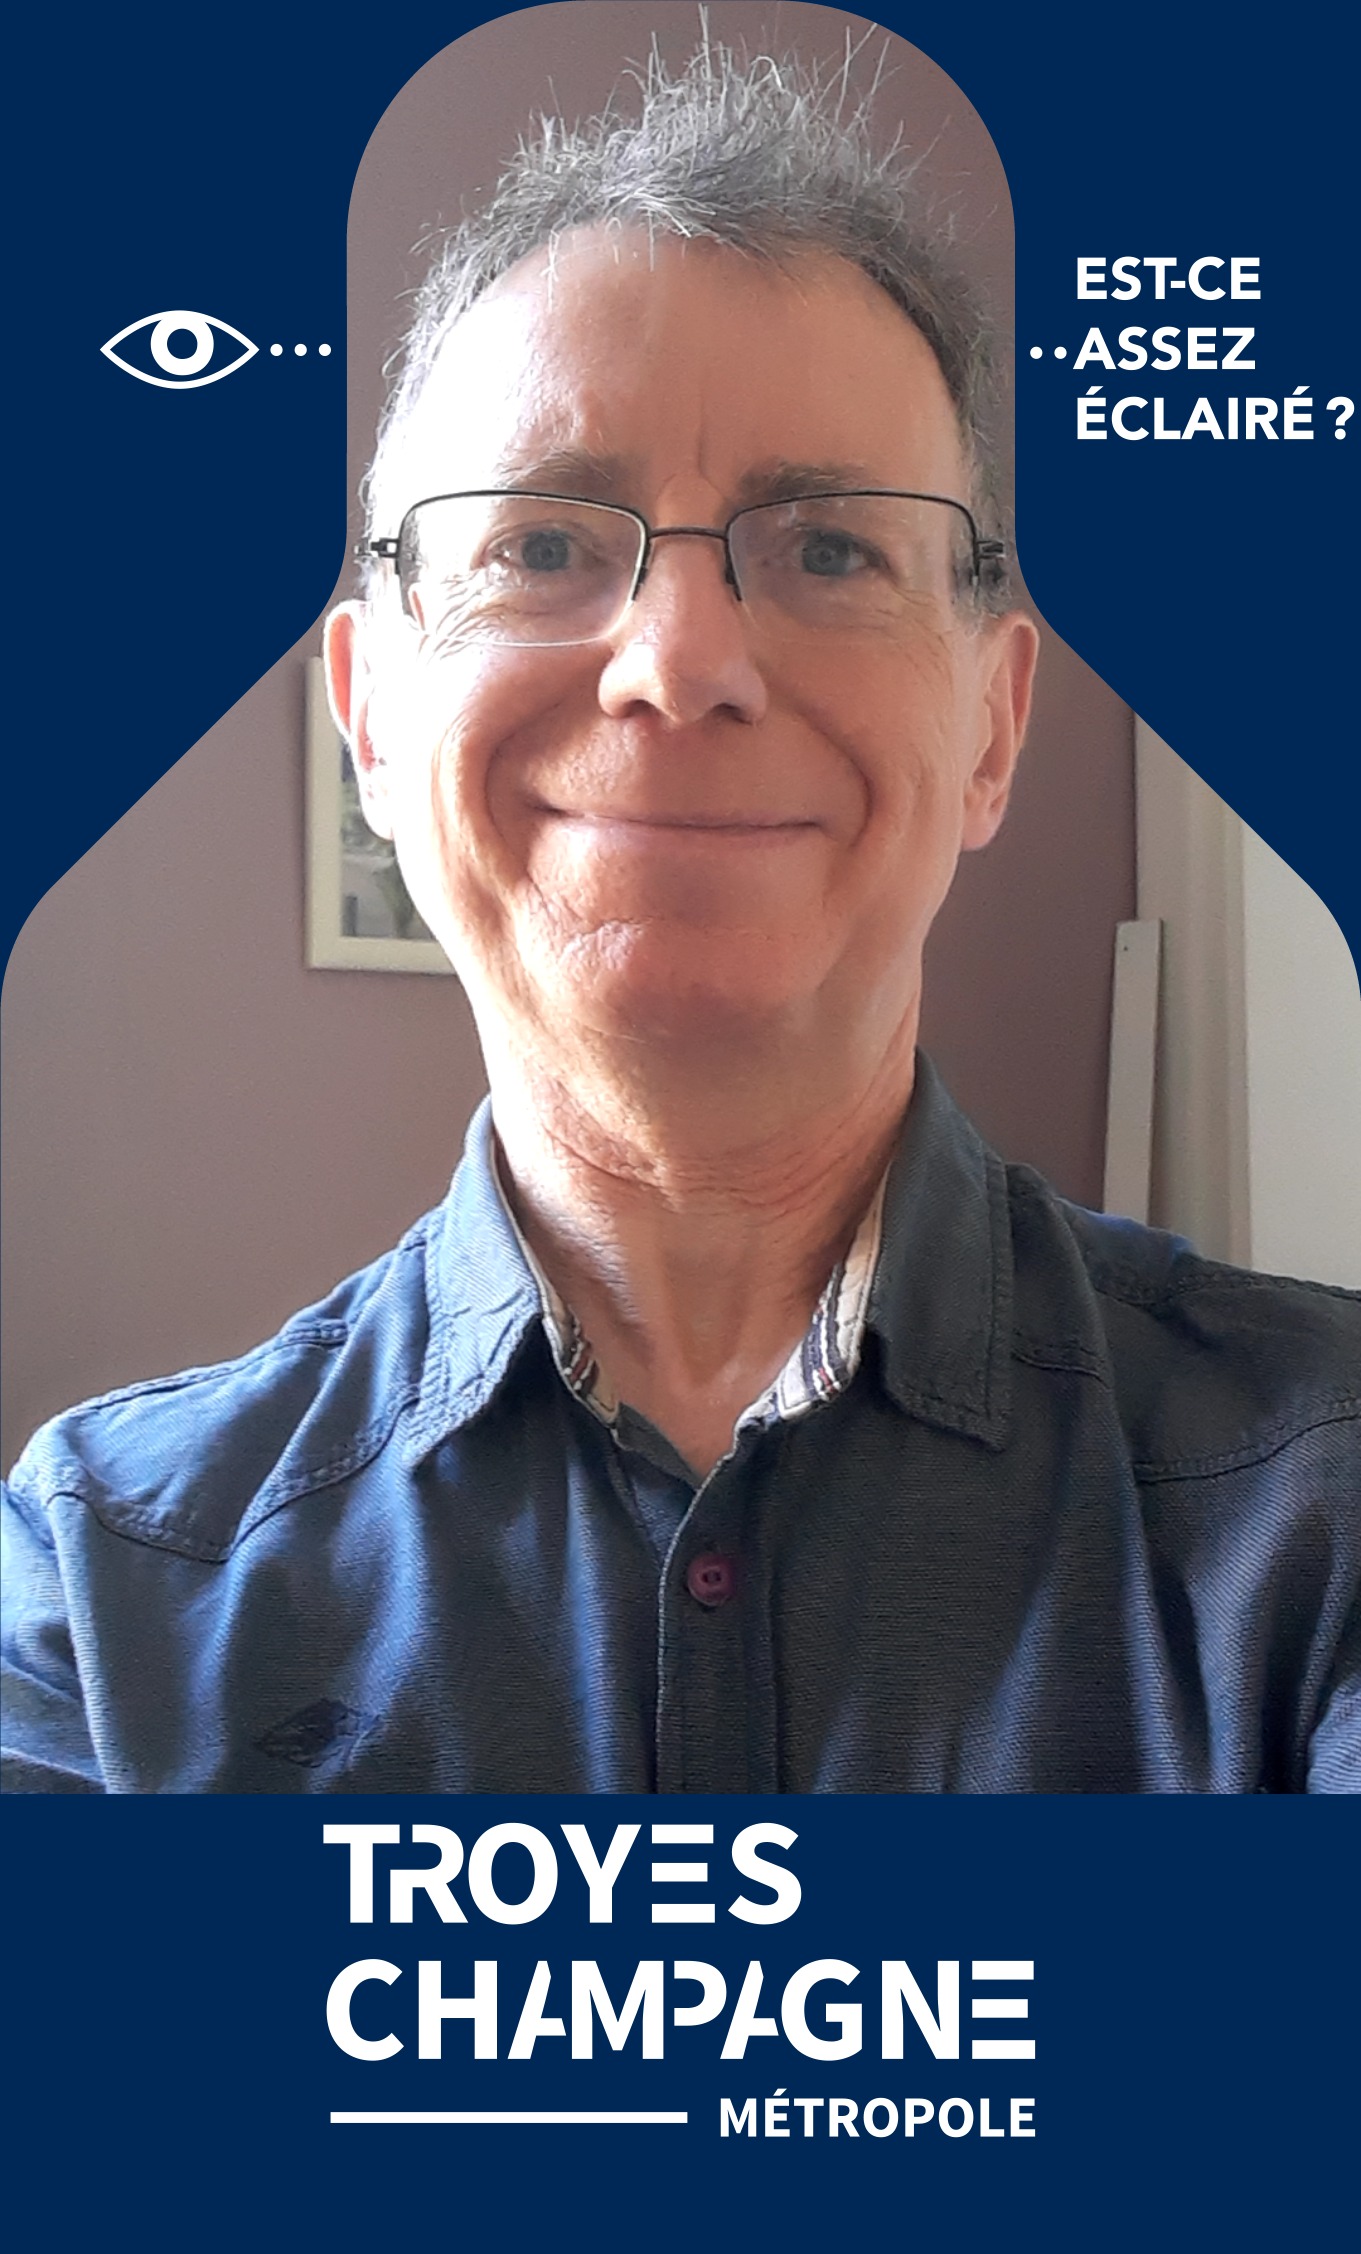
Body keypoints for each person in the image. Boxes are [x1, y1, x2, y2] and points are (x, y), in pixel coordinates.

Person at [3, 47, 1357, 1795]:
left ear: (992, 726)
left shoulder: (1324, 1497)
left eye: (829, 549)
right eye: (542, 546)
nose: (681, 658)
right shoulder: (103, 1585)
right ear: (371, 717)